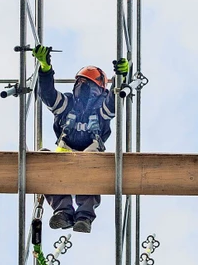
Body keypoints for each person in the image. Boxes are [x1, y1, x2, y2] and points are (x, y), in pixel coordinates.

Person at [32, 45, 130, 233]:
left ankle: (84, 216)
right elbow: (48, 94)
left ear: (99, 89)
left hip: (90, 158)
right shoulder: (67, 104)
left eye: (87, 84)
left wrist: (120, 78)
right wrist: (45, 69)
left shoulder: (100, 109)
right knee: (42, 159)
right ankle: (63, 212)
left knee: (92, 164)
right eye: (80, 83)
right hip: (64, 158)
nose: (82, 87)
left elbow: (113, 102)